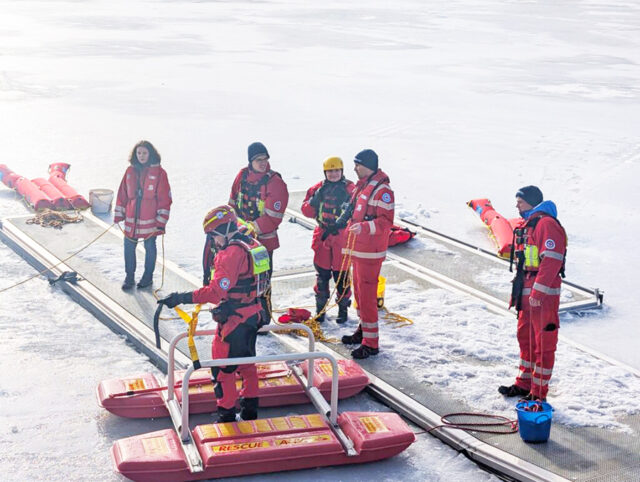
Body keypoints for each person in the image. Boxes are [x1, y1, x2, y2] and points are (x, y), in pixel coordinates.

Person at [158, 205, 269, 422]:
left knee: (222, 369)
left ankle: (226, 414)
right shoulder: (250, 243)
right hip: (253, 313)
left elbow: (215, 291)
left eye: (214, 237)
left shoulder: (231, 254)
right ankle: (250, 410)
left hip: (236, 320)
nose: (213, 242)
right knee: (246, 364)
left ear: (225, 230)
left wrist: (181, 297)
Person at [499, 186, 566, 402]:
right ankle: (524, 384)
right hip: (527, 295)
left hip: (542, 297)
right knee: (525, 339)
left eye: (520, 201)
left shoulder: (546, 224)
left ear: (531, 201)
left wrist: (538, 292)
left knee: (542, 344)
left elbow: (552, 260)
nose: (517, 205)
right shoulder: (529, 224)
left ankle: (538, 394)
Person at [339, 149, 394, 359]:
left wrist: (364, 227)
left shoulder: (383, 191)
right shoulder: (363, 187)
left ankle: (371, 343)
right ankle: (363, 331)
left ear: (368, 165)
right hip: (359, 250)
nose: (354, 168)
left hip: (370, 253)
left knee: (368, 297)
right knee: (360, 295)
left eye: (358, 164)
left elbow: (385, 222)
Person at [228, 142, 288, 327]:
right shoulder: (241, 176)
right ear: (250, 161)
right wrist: (231, 227)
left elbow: (273, 217)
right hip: (241, 241)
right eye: (258, 160)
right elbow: (231, 203)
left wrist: (249, 229)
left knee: (262, 281)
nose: (262, 163)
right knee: (241, 280)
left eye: (265, 159)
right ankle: (243, 314)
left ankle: (263, 318)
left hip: (263, 244)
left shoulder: (275, 183)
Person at [301, 156, 355, 323]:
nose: (333, 174)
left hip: (342, 236)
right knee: (322, 274)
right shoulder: (318, 188)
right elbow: (306, 211)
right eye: (330, 171)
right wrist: (314, 200)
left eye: (337, 170)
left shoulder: (350, 189)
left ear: (342, 171)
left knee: (342, 275)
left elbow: (358, 210)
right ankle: (320, 309)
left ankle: (342, 309)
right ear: (325, 172)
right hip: (323, 235)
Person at [114, 140, 171, 291]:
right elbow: (122, 193)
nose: (141, 156)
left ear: (150, 154)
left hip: (150, 222)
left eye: (144, 153)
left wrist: (161, 221)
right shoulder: (129, 171)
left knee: (150, 248)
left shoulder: (160, 173)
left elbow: (165, 198)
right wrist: (119, 214)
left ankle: (147, 278)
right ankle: (129, 277)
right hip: (132, 221)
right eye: (139, 153)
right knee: (128, 247)